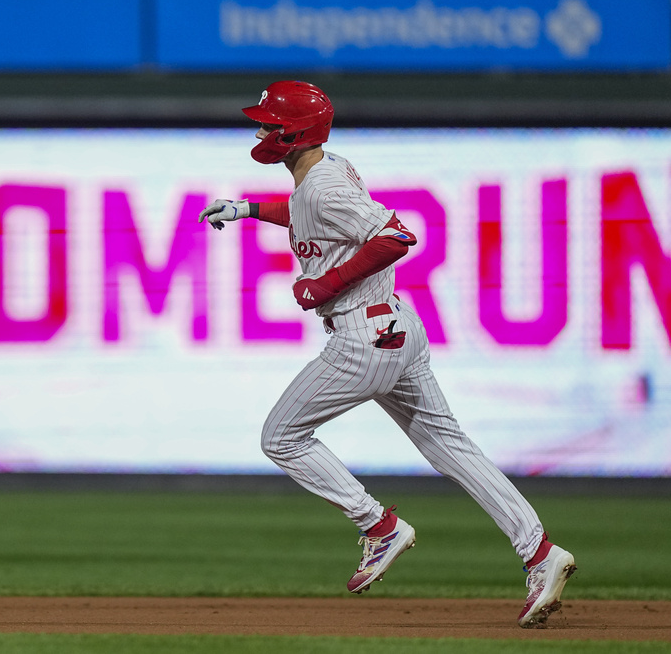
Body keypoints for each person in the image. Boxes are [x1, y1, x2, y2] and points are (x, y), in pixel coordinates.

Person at [198, 80, 576, 628]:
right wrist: (250, 208)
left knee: (281, 437)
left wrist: (324, 286)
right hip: (398, 327)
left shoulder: (324, 186)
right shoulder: (324, 173)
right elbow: (312, 215)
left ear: (294, 132)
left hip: (362, 338)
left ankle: (379, 526)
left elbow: (397, 236)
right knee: (452, 447)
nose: (260, 129)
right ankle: (541, 554)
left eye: (268, 121)